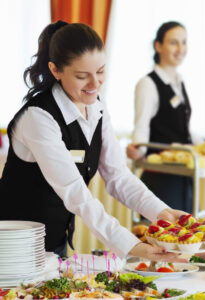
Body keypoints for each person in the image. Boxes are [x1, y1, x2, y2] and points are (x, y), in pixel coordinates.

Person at [0, 21, 187, 262]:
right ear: (56, 70)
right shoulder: (39, 117)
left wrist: (163, 213)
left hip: (53, 243)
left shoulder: (96, 107)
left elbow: (118, 176)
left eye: (100, 71)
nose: (95, 84)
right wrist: (129, 245)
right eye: (82, 76)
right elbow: (75, 193)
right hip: (10, 244)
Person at [127, 21, 193, 213]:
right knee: (162, 238)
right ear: (158, 46)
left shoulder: (179, 82)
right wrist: (138, 149)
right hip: (161, 178)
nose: (180, 49)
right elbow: (141, 125)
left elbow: (182, 129)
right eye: (174, 42)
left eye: (184, 42)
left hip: (182, 174)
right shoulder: (147, 84)